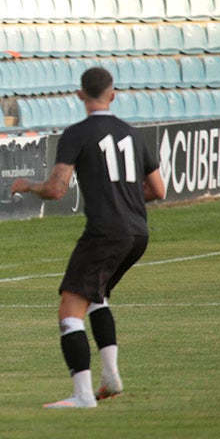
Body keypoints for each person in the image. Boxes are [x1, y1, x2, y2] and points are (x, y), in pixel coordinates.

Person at [11, 66, 165, 409]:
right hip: (138, 233)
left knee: (69, 309)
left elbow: (55, 189)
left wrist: (28, 186)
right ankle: (110, 376)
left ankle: (83, 395)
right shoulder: (132, 134)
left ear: (80, 95)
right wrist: (125, 198)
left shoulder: (78, 134)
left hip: (106, 232)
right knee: (96, 296)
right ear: (113, 94)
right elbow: (158, 189)